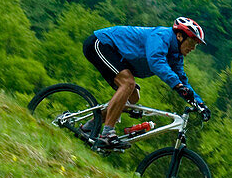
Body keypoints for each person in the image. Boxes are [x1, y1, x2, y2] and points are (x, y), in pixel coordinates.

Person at [82, 17, 211, 150]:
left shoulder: (176, 56)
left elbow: (183, 82)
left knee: (133, 97)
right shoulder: (161, 36)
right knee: (128, 84)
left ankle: (89, 127)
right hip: (101, 44)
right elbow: (156, 61)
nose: (193, 48)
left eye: (196, 44)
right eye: (192, 42)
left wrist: (200, 104)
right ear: (179, 36)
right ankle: (107, 134)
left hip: (117, 56)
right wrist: (177, 85)